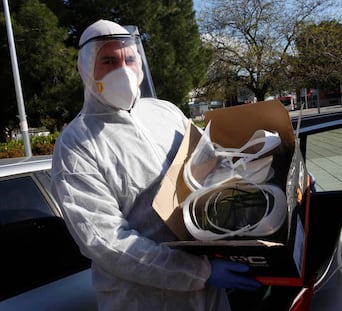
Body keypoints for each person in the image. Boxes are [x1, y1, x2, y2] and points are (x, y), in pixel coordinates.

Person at [51, 19, 261, 311]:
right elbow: (105, 241)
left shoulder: (166, 112)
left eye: (129, 58)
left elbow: (213, 165)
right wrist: (199, 272)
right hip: (143, 301)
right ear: (87, 69)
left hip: (209, 298)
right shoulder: (77, 145)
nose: (122, 70)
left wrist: (275, 178)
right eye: (108, 61)